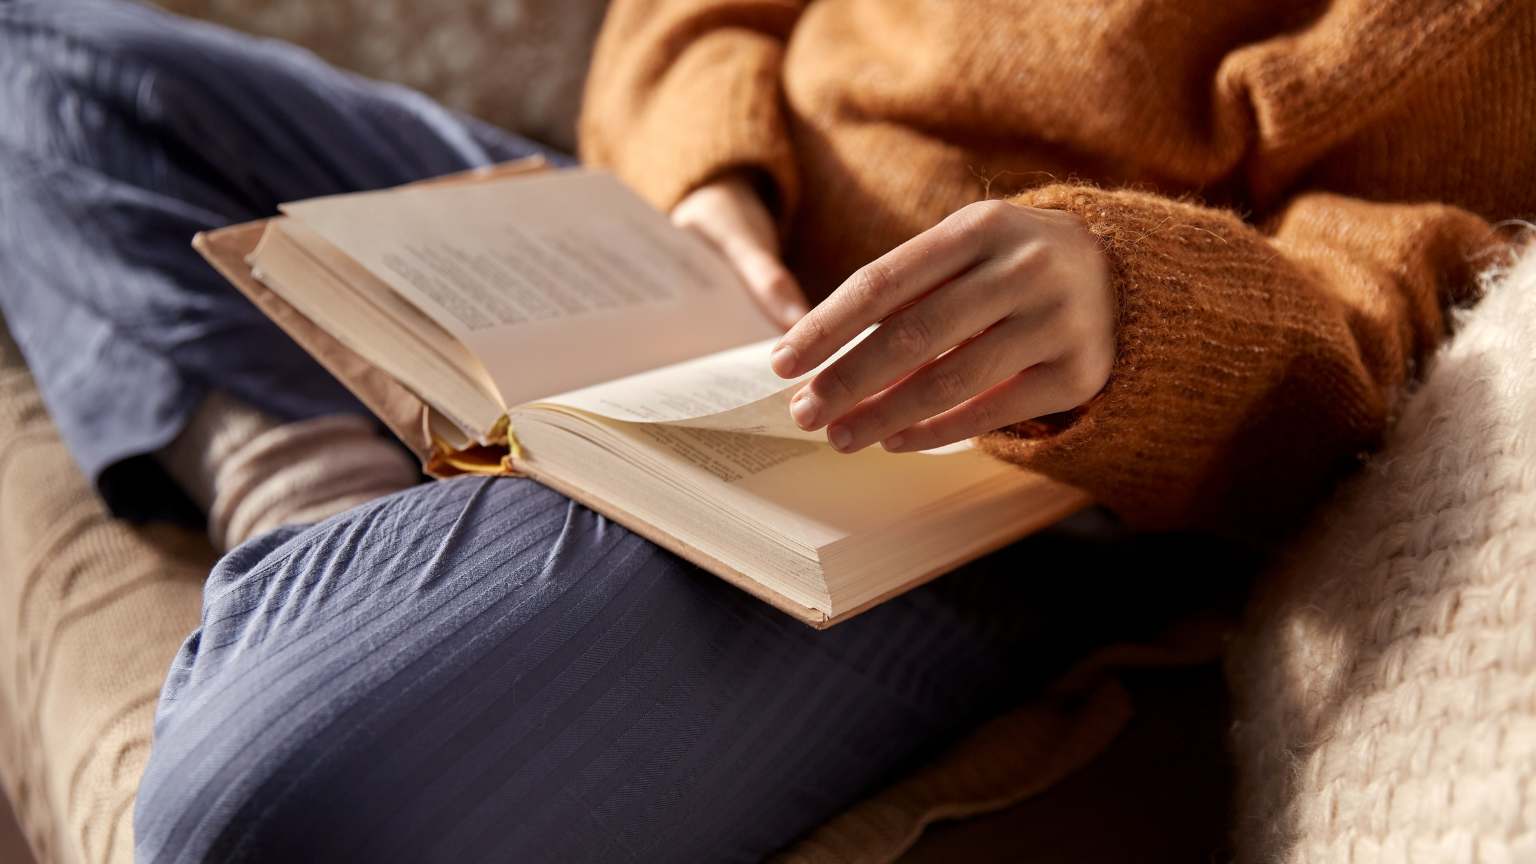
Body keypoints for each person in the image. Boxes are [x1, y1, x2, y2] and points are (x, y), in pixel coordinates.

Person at [0, 0, 1527, 861]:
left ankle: (365, 534)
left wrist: (1131, 307)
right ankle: (338, 519)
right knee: (44, 67)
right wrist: (711, 186)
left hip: (965, 462)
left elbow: (1389, 315)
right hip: (671, 257)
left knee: (251, 805)